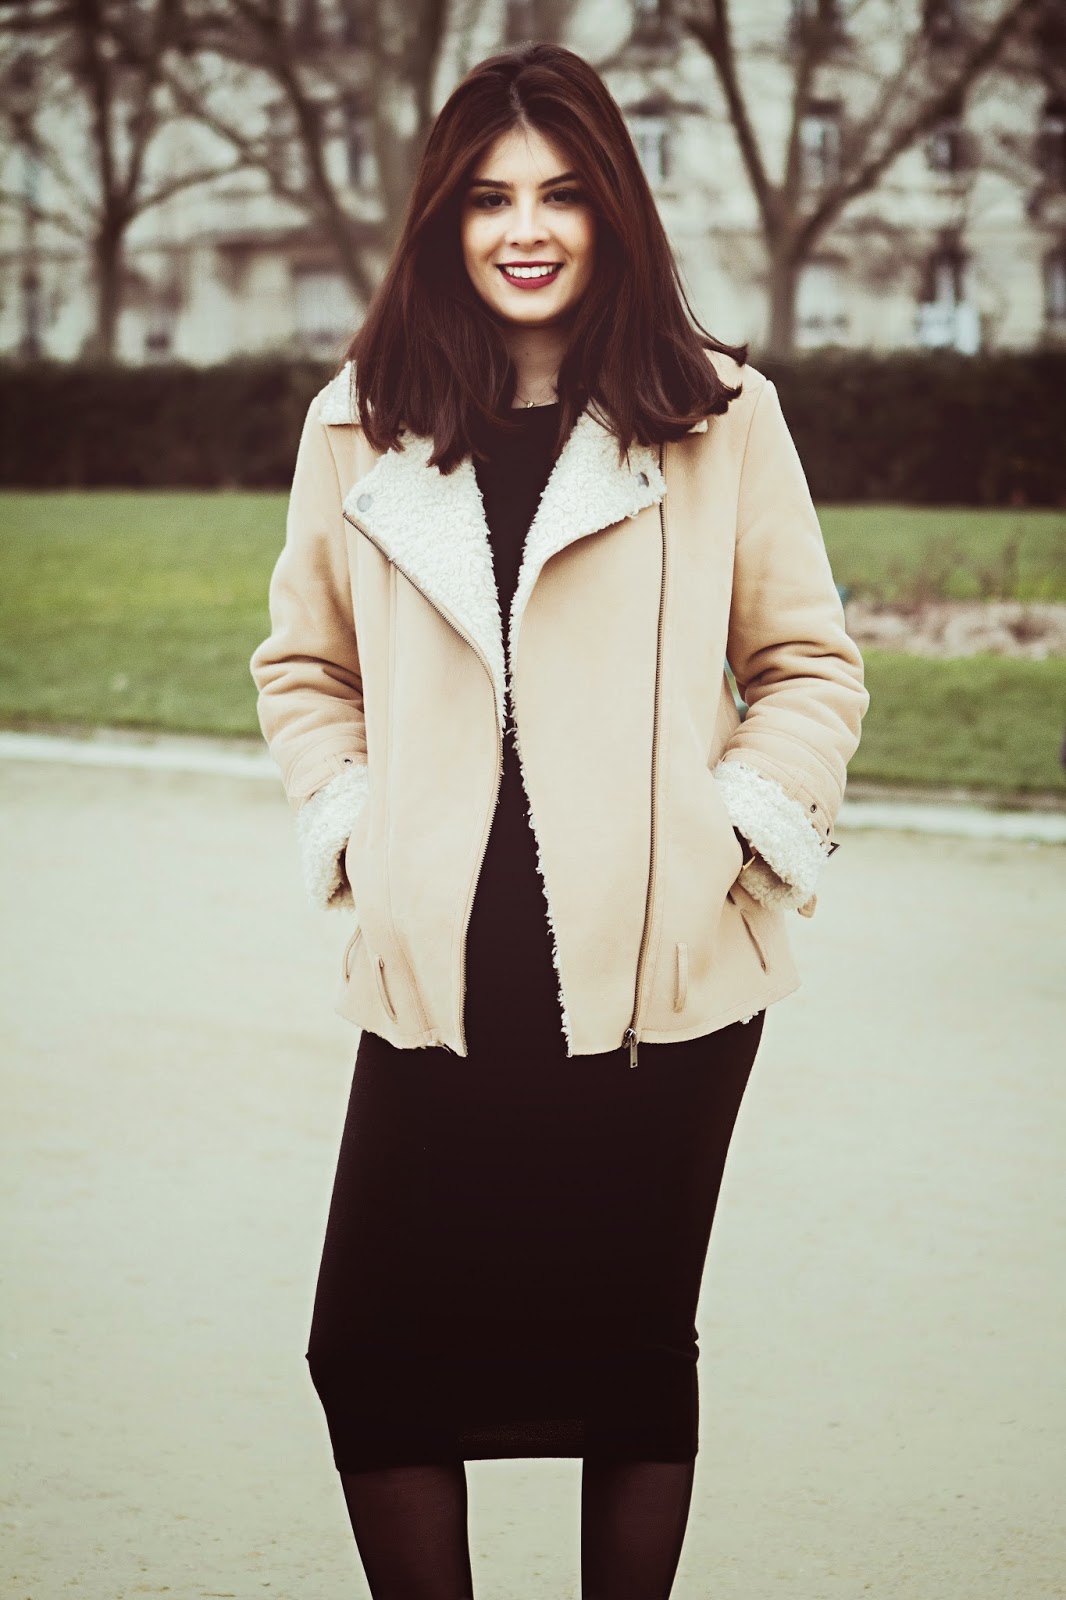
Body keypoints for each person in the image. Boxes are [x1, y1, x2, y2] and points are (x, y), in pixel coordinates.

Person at [250, 40, 869, 1600]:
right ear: (441, 219)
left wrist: (732, 837)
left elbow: (806, 663)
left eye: (560, 193)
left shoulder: (718, 414)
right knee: (368, 1353)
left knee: (626, 1352)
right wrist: (357, 830)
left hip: (661, 969)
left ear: (612, 211)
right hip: (439, 962)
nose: (523, 227)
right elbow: (304, 667)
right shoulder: (358, 422)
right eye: (486, 197)